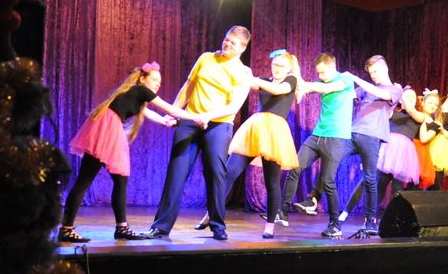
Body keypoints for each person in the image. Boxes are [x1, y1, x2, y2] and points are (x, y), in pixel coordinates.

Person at [58, 62, 206, 242]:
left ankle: (120, 227)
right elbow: (169, 109)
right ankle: (68, 229)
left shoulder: (136, 94)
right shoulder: (141, 90)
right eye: (154, 79)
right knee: (88, 181)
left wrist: (166, 122)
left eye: (160, 82)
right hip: (107, 130)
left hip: (108, 128)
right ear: (142, 78)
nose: (158, 84)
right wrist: (196, 117)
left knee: (117, 179)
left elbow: (151, 114)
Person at [140, 26, 253, 241]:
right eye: (227, 39)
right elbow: (188, 87)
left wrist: (208, 116)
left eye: (233, 42)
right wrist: (174, 112)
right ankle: (160, 227)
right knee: (176, 172)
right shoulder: (206, 58)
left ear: (242, 48)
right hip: (190, 121)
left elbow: (234, 106)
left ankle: (217, 225)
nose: (227, 44)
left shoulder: (244, 73)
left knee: (215, 174)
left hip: (218, 126)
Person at [196, 49, 300, 238]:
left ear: (289, 69)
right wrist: (236, 68)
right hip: (254, 129)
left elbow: (278, 90)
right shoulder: (264, 80)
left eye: (281, 66)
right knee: (228, 173)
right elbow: (244, 81)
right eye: (275, 64)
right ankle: (211, 215)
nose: (277, 68)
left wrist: (253, 78)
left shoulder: (290, 81)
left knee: (271, 181)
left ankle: (270, 225)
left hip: (274, 134)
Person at [294, 55, 402, 234]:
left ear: (385, 69)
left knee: (370, 179)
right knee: (331, 162)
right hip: (351, 135)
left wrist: (355, 78)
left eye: (376, 72)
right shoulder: (365, 89)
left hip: (371, 137)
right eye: (371, 73)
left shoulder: (395, 89)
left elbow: (382, 95)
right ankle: (313, 199)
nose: (373, 76)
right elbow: (340, 91)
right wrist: (308, 88)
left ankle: (370, 221)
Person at [279, 52, 354, 238]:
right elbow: (301, 91)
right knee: (295, 168)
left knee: (327, 181)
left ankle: (335, 225)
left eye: (322, 72)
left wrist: (306, 84)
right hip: (317, 136)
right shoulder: (321, 83)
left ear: (332, 66)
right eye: (318, 73)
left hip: (336, 138)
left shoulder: (345, 79)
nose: (320, 76)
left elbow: (327, 88)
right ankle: (283, 212)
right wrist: (297, 72)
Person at [340, 86, 424, 222]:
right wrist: (394, 98)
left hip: (403, 154)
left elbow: (412, 112)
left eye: (413, 97)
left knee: (398, 189)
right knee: (371, 181)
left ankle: (392, 220)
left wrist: (402, 96)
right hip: (387, 150)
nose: (411, 99)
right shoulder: (392, 112)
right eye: (407, 96)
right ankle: (348, 211)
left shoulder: (419, 116)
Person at [419, 87, 448, 190]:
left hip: (437, 147)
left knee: (434, 182)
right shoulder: (432, 105)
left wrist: (443, 131)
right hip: (422, 142)